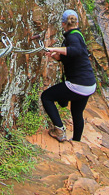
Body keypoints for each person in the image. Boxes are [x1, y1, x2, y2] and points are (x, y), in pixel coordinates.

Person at [41, 9, 96, 142]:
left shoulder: (72, 37)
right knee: (77, 113)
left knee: (46, 97)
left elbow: (75, 51)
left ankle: (59, 130)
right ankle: (76, 141)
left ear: (63, 24)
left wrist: (54, 48)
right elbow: (69, 56)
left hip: (79, 84)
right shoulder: (78, 35)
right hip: (89, 84)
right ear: (77, 22)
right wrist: (55, 56)